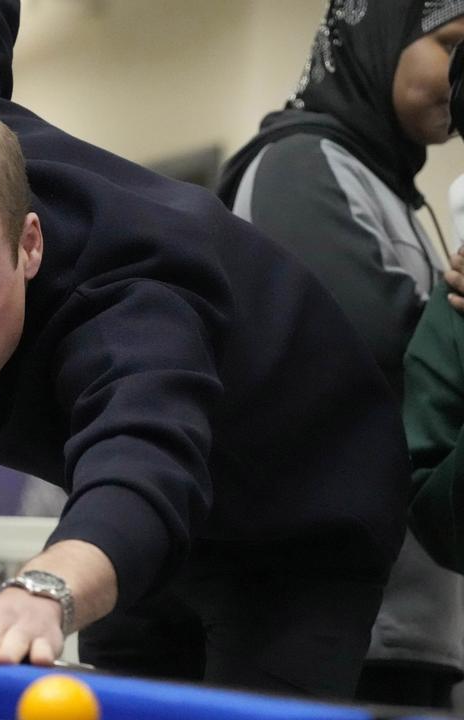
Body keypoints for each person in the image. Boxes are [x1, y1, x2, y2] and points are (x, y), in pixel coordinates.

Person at [0, 0, 410, 699]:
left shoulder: (131, 306)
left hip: (299, 518)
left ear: (28, 245)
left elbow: (142, 467)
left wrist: (40, 594)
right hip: (144, 533)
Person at [212, 1, 464, 708]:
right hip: (331, 623)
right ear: (376, 41)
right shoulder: (301, 163)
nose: (462, 72)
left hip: (396, 619)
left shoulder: (389, 188)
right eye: (449, 44)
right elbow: (365, 348)